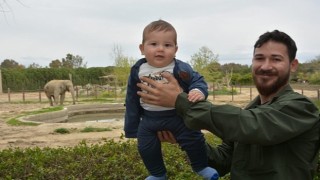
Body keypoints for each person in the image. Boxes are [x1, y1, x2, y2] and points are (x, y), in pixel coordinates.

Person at [137, 30, 320, 180]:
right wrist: (183, 138)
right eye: (259, 58)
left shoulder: (301, 108)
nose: (265, 66)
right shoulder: (250, 111)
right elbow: (222, 161)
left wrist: (180, 101)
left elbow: (252, 125)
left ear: (293, 65)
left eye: (276, 59)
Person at [124, 20, 219, 180]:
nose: (160, 49)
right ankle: (158, 174)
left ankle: (201, 166)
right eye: (153, 44)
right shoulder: (137, 70)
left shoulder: (180, 68)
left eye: (167, 45)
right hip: (149, 120)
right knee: (146, 147)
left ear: (175, 50)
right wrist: (132, 128)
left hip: (178, 117)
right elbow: (132, 99)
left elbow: (198, 80)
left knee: (194, 139)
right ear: (142, 48)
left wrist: (197, 90)